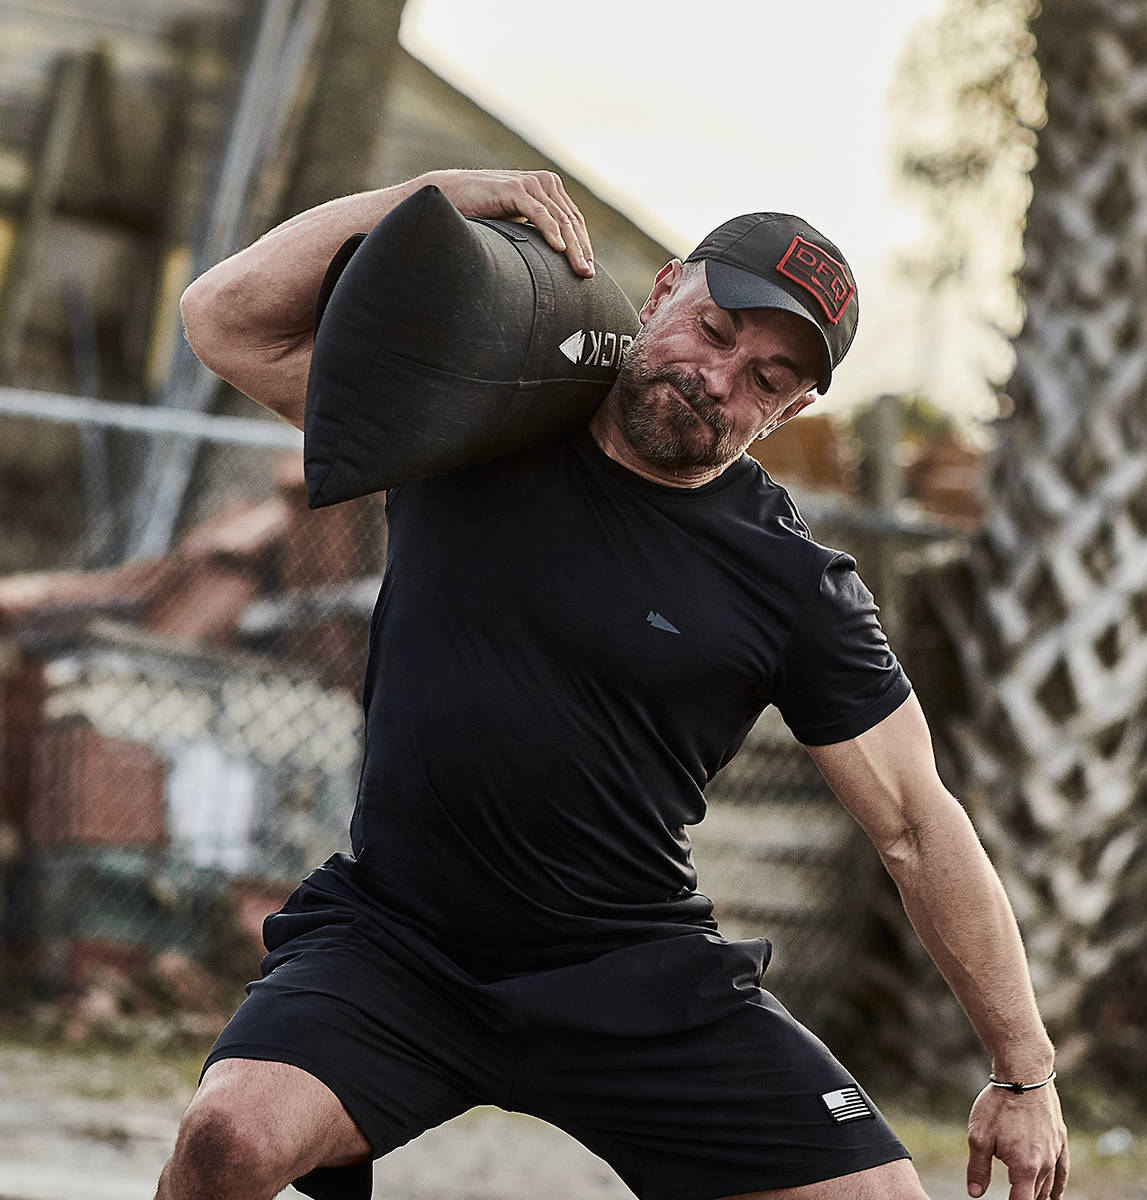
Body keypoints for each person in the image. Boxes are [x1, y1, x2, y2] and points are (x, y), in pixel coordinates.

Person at [161, 168, 1068, 1200]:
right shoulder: (474, 418)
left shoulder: (793, 585)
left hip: (631, 971)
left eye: (769, 377)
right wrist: (445, 192)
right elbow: (223, 321)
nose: (723, 378)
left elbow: (916, 822)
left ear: (797, 406)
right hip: (400, 940)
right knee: (226, 1136)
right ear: (664, 290)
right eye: (717, 330)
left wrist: (1023, 1069)